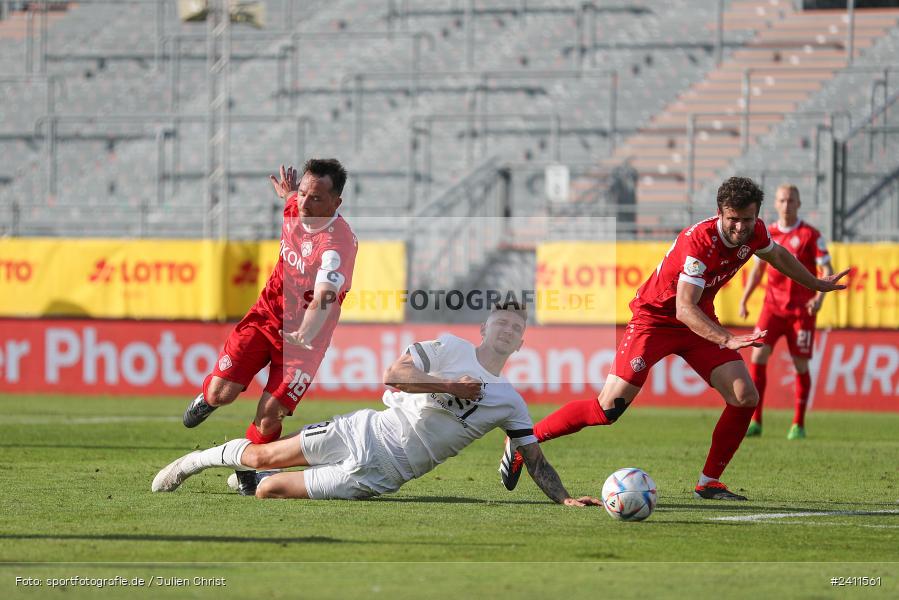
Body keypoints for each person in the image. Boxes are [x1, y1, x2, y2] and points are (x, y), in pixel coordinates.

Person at [499, 177, 848, 501]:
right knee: (608, 409)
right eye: (733, 219)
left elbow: (777, 255)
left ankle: (709, 481)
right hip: (656, 319)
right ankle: (521, 440)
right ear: (720, 214)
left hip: (698, 318)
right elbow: (683, 307)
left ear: (757, 214)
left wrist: (815, 283)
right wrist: (726, 340)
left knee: (744, 396)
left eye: (748, 218)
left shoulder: (754, 231)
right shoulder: (700, 242)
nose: (741, 227)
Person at [153, 303, 600, 508]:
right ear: (484, 329)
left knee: (266, 489)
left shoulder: (510, 402)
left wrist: (563, 500)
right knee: (262, 454)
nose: (507, 329)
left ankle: (250, 481)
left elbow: (535, 458)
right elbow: (393, 375)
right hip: (365, 431)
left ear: (521, 343)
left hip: (381, 476)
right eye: (500, 321)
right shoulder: (448, 348)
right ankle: (194, 461)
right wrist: (448, 386)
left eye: (515, 327)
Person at [181, 159, 357, 495]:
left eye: (316, 199)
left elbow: (324, 296)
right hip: (265, 318)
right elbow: (294, 197)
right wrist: (289, 192)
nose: (305, 203)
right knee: (222, 394)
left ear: (337, 204)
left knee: (270, 415)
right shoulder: (295, 206)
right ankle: (206, 399)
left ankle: (248, 463)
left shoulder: (339, 244)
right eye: (303, 194)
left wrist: (305, 331)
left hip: (305, 342)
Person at [738, 184, 833, 440]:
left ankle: (798, 424)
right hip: (772, 307)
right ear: (776, 204)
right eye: (782, 200)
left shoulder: (811, 235)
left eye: (791, 200)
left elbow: (826, 267)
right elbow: (757, 271)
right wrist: (745, 299)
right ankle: (755, 420)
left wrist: (819, 299)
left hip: (801, 311)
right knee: (757, 358)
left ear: (799, 203)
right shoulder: (767, 233)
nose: (787, 205)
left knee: (800, 365)